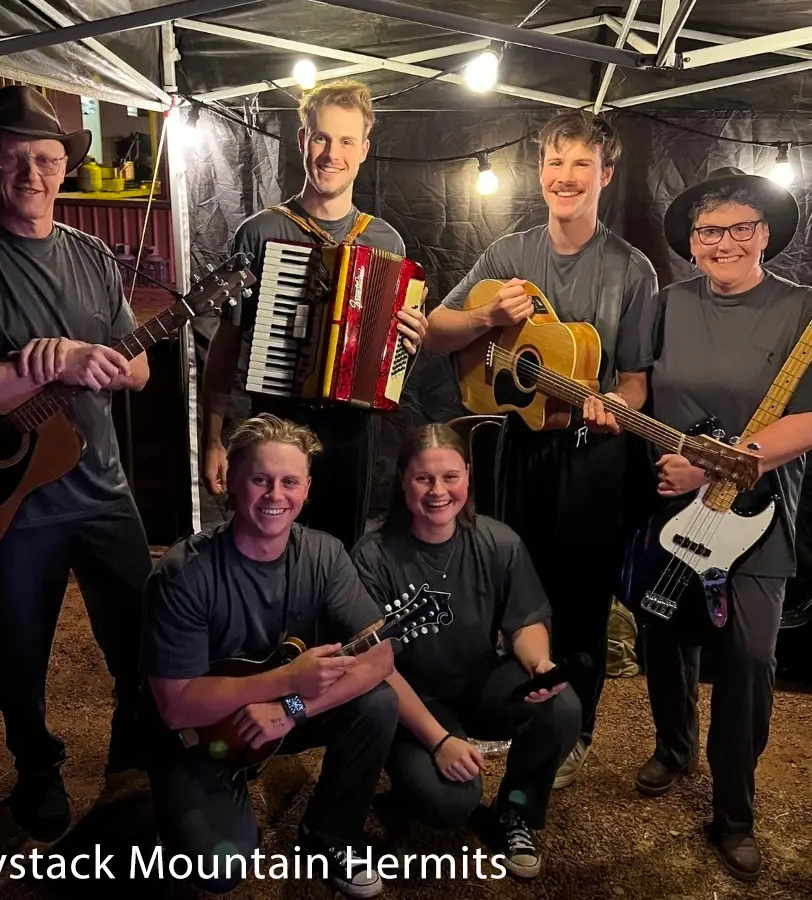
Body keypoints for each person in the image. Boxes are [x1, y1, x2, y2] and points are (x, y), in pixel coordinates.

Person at [0, 85, 152, 842]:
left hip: (103, 489)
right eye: (14, 158)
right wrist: (33, 369)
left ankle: (134, 754)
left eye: (46, 158)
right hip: (7, 504)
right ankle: (36, 769)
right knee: (19, 652)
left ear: (63, 167)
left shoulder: (93, 257)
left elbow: (136, 368)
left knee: (142, 640)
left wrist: (109, 365)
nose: (33, 173)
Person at [587, 167, 812, 881]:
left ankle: (735, 810)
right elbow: (636, 387)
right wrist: (608, 407)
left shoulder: (804, 312)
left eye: (739, 227)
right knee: (665, 632)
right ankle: (673, 746)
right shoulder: (662, 303)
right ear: (690, 241)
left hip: (759, 512)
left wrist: (716, 466)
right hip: (669, 498)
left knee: (748, 659)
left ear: (765, 235)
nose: (723, 242)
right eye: (709, 230)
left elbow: (807, 421)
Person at [424, 110, 659, 788]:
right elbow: (439, 330)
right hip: (517, 450)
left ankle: (573, 728)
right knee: (511, 588)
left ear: (605, 176)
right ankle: (509, 712)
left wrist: (614, 405)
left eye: (581, 164)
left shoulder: (631, 270)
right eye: (555, 163)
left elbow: (637, 383)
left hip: (593, 456)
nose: (565, 177)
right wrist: (489, 316)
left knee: (580, 598)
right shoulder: (508, 254)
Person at [142, 413, 398, 896]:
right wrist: (286, 682)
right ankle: (190, 799)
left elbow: (381, 657)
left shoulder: (324, 554)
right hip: (196, 738)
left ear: (306, 489)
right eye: (261, 479)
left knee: (378, 702)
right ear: (232, 482)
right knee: (219, 870)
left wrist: (290, 709)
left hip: (278, 715)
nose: (275, 495)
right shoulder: (183, 573)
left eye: (289, 482)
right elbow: (176, 707)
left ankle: (328, 836)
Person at [200, 79, 428, 550]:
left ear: (363, 150)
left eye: (346, 141)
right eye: (321, 137)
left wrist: (410, 341)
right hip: (278, 423)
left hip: (353, 433)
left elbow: (393, 360)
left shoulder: (385, 243)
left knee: (338, 557)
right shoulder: (261, 232)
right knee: (267, 551)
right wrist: (212, 439)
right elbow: (224, 345)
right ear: (303, 140)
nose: (331, 153)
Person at [351, 423, 580, 878]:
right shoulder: (372, 555)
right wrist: (439, 741)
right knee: (449, 803)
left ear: (468, 476)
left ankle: (515, 810)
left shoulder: (498, 541)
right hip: (408, 702)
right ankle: (406, 787)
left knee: (563, 706)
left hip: (479, 682)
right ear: (402, 480)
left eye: (450, 477)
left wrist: (539, 664)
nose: (439, 491)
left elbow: (526, 620)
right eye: (423, 478)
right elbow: (373, 667)